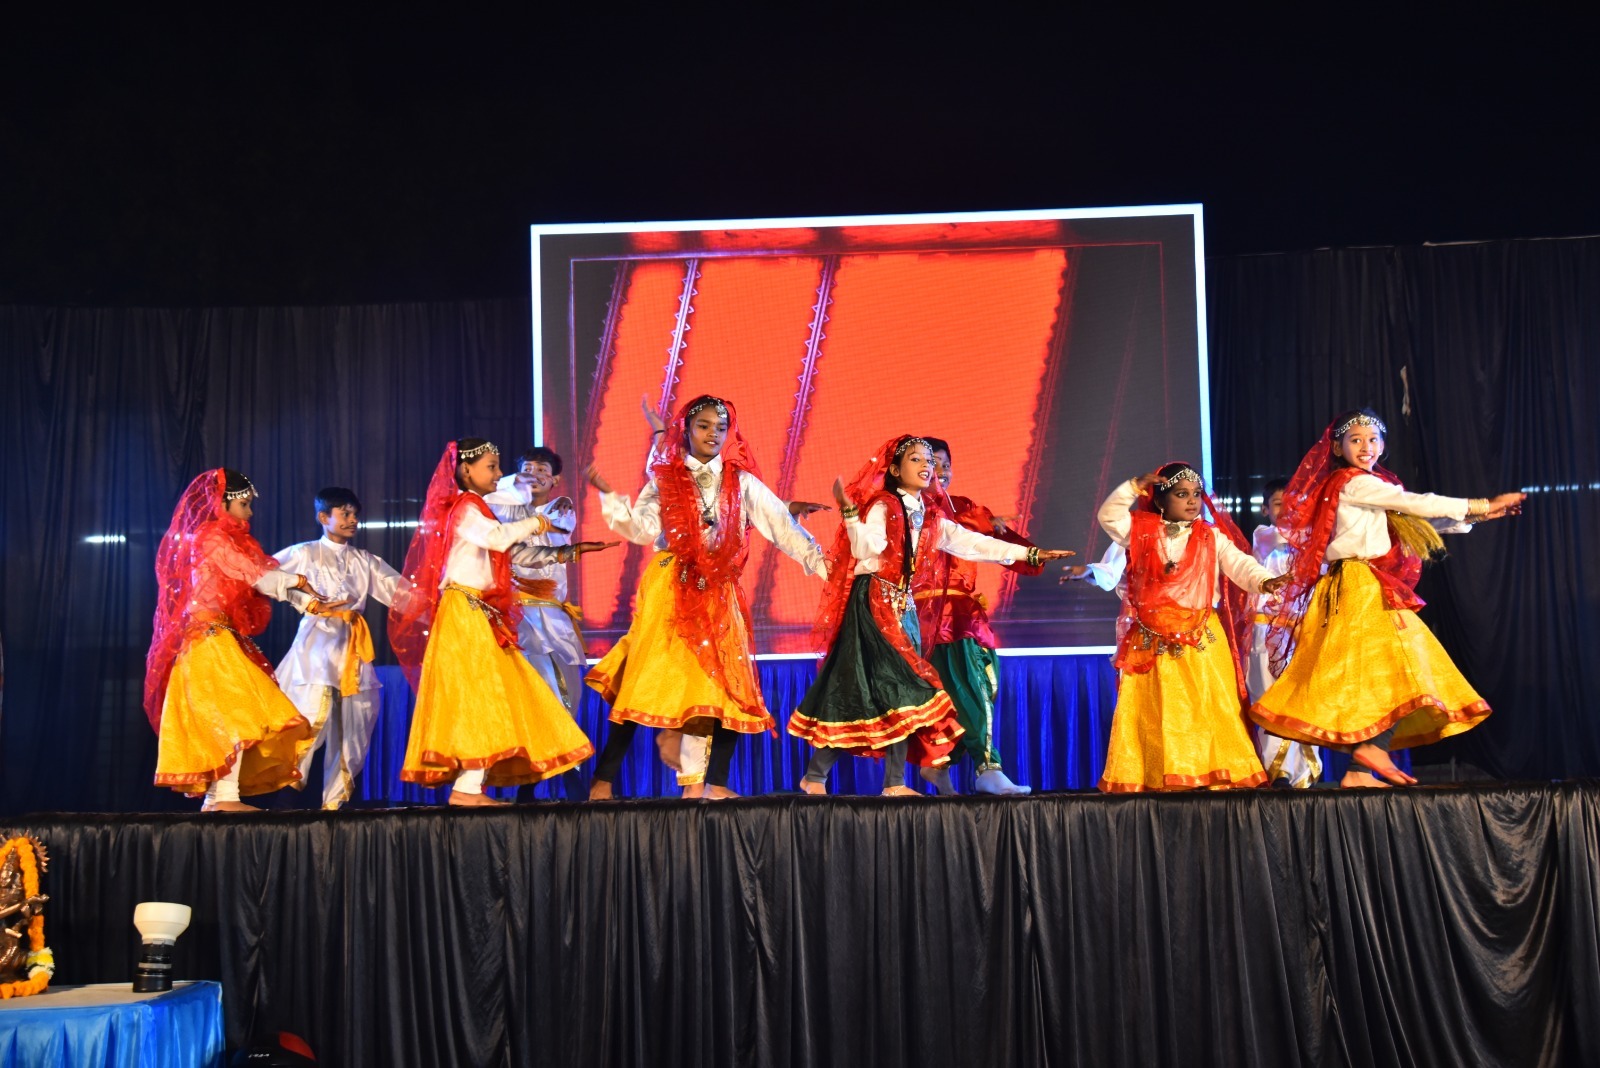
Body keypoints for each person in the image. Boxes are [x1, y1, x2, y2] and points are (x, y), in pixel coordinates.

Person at [1251, 410, 1524, 787]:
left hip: (1358, 584)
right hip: (1359, 586)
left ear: (1383, 445)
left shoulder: (1366, 485)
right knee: (1409, 666)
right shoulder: (1354, 482)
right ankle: (1371, 751)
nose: (1366, 446)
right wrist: (1480, 504)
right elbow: (1415, 503)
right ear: (1338, 448)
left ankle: (1360, 770)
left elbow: (1411, 520)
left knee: (1379, 676)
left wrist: (1479, 517)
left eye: (1373, 439)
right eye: (1356, 440)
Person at [791, 435, 1074, 796]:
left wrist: (1029, 554)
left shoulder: (930, 515)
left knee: (884, 691)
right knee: (898, 688)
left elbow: (972, 543)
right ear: (895, 470)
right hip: (873, 603)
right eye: (917, 459)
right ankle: (884, 783)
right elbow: (865, 548)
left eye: (929, 460)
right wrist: (849, 513)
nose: (927, 466)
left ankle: (822, 777)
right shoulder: (884, 505)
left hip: (902, 606)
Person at [584, 395, 828, 799]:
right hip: (671, 586)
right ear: (687, 430)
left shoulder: (741, 481)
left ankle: (702, 785)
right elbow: (642, 530)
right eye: (704, 425)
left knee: (721, 684)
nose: (713, 433)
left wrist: (826, 568)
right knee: (643, 679)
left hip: (718, 588)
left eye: (721, 427)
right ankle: (603, 781)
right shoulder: (665, 479)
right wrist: (610, 496)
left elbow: (782, 527)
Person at [390, 438, 595, 805]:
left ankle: (471, 786)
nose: (499, 474)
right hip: (463, 610)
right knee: (482, 693)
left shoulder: (475, 506)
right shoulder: (466, 506)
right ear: (465, 470)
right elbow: (497, 539)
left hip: (474, 609)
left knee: (490, 695)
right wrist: (537, 521)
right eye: (492, 467)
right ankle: (468, 788)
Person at [145, 469, 331, 811]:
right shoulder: (211, 538)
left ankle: (218, 799)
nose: (250, 512)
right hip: (207, 640)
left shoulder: (230, 541)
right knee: (237, 714)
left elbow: (260, 579)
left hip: (218, 638)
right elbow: (253, 574)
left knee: (233, 715)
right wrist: (300, 581)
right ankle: (224, 798)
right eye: (244, 504)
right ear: (222, 503)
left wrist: (311, 604)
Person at [1095, 463, 1286, 793]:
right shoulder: (1140, 531)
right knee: (1158, 709)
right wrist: (1132, 486)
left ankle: (1212, 773)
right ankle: (1161, 775)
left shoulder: (1211, 535)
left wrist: (1264, 581)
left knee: (1210, 705)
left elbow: (1241, 565)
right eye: (1182, 494)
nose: (1192, 501)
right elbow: (1108, 517)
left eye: (1196, 494)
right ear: (1160, 500)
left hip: (1201, 636)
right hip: (1153, 638)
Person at [911, 437, 1045, 795]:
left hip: (965, 612)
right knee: (966, 690)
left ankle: (941, 764)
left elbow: (993, 542)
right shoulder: (906, 509)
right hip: (931, 617)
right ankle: (987, 768)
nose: (940, 472)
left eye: (946, 465)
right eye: (931, 464)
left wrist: (1032, 554)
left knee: (983, 686)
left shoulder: (965, 507)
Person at [271, 486, 403, 809]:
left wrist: (441, 595)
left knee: (353, 726)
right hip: (315, 645)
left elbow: (401, 592)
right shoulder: (304, 553)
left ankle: (335, 806)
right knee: (307, 716)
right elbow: (266, 576)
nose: (353, 520)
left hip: (351, 646)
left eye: (355, 514)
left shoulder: (364, 560)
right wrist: (306, 602)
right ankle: (285, 803)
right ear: (323, 517)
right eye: (345, 513)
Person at [1246, 478, 1322, 787]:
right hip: (1267, 632)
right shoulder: (1264, 536)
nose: (1289, 510)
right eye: (1280, 504)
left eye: (1295, 504)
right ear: (1266, 510)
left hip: (1302, 632)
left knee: (1304, 700)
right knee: (1270, 698)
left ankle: (1303, 772)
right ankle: (1277, 771)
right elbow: (1284, 537)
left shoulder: (1314, 543)